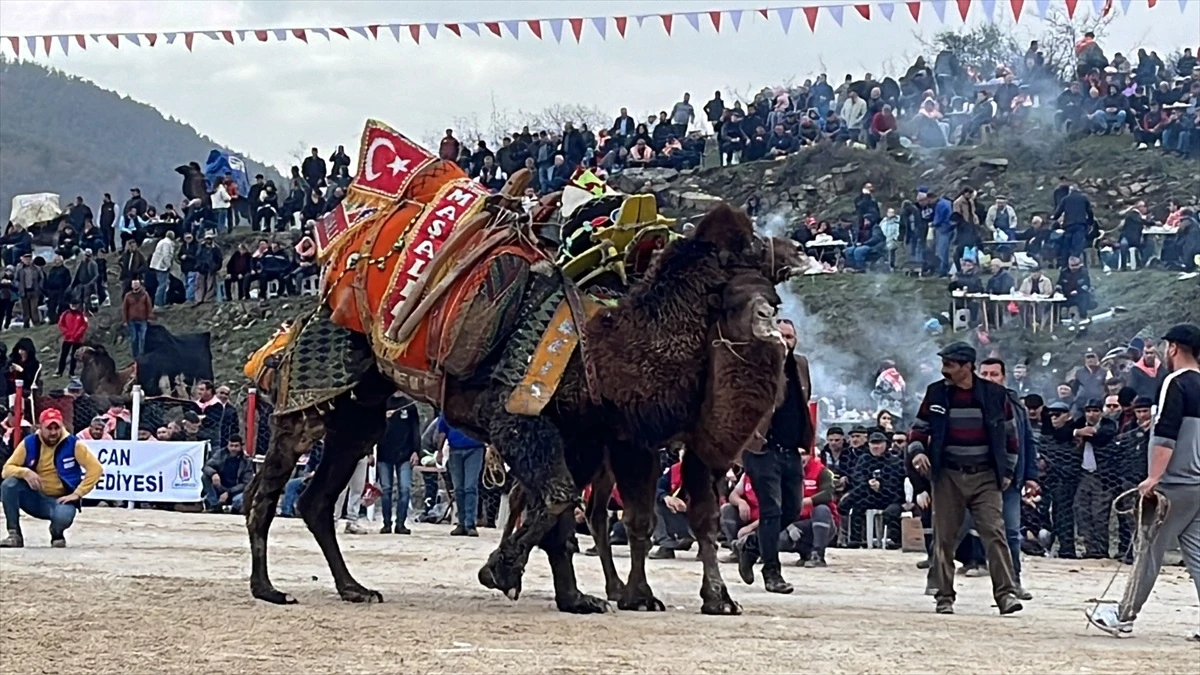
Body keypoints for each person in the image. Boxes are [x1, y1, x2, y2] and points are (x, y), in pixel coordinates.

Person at [1087, 323, 1200, 641]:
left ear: (1174, 348)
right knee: (1197, 553)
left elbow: (1166, 434)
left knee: (1147, 550)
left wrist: (1153, 477)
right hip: (1198, 484)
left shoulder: (1174, 383)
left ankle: (1123, 616)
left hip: (1174, 483)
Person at [908, 341, 1023, 615]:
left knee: (995, 534)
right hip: (947, 475)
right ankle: (944, 596)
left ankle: (1006, 594)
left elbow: (1011, 437)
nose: (944, 370)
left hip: (985, 475)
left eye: (950, 365)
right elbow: (918, 429)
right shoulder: (936, 393)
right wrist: (916, 453)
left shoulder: (995, 395)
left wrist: (1008, 471)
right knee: (944, 537)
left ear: (967, 367)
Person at [736, 319, 812, 594]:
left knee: (792, 509)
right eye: (781, 336)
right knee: (771, 510)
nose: (786, 341)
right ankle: (772, 572)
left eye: (790, 336)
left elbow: (804, 400)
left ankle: (753, 546)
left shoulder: (801, 365)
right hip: (762, 449)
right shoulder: (756, 365)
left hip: (791, 450)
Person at [978, 358, 1039, 600]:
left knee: (1011, 532)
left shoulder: (1015, 404)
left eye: (994, 374)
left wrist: (1031, 476)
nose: (989, 378)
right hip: (974, 478)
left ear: (1003, 377)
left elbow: (1027, 441)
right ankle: (943, 581)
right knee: (961, 530)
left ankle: (1012, 582)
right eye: (984, 374)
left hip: (1010, 479)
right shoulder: (968, 403)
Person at [0, 409, 103, 548]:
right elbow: (6, 469)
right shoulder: (29, 443)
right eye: (49, 428)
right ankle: (14, 534)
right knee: (9, 485)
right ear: (39, 427)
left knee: (63, 517)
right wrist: (25, 472)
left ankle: (57, 533)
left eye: (57, 427)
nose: (53, 432)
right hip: (34, 498)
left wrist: (78, 493)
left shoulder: (74, 444)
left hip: (61, 500)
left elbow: (96, 469)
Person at [839, 432, 904, 548]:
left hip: (890, 497)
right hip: (870, 495)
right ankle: (855, 540)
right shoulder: (864, 459)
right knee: (858, 506)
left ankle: (893, 540)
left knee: (890, 510)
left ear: (885, 445)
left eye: (879, 443)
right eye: (873, 443)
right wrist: (868, 482)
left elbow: (897, 484)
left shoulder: (895, 461)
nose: (876, 446)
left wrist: (881, 485)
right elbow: (856, 476)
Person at [435, 414, 484, 536]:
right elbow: (442, 430)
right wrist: (439, 451)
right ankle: (461, 523)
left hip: (475, 448)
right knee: (458, 489)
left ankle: (470, 523)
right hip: (455, 449)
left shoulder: (474, 408)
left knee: (470, 487)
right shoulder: (448, 410)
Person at [377, 394, 419, 535]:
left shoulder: (409, 405)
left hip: (405, 454)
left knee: (405, 489)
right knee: (386, 490)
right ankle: (386, 524)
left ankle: (400, 523)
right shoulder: (382, 403)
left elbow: (415, 429)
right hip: (384, 453)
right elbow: (373, 427)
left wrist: (416, 451)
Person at [201, 436, 252, 514]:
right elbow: (206, 467)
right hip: (220, 487)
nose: (233, 448)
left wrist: (229, 492)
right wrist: (213, 474)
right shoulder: (220, 455)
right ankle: (214, 505)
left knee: (240, 500)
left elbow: (246, 483)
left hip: (236, 491)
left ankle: (232, 508)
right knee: (205, 477)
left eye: (236, 446)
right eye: (231, 446)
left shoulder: (246, 461)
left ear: (241, 446)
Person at [121, 278, 153, 359]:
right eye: (134, 284)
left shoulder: (145, 295)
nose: (135, 286)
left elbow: (149, 306)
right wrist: (125, 320)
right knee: (134, 338)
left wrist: (149, 317)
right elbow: (125, 308)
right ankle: (134, 355)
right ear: (131, 286)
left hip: (143, 319)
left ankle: (141, 354)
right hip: (132, 320)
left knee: (142, 338)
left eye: (136, 284)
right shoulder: (128, 296)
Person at [55, 300, 88, 378]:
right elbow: (61, 324)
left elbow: (84, 325)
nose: (74, 306)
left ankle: (72, 373)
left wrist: (78, 334)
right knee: (64, 355)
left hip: (77, 339)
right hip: (67, 338)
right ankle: (60, 371)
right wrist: (67, 333)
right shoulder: (65, 314)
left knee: (74, 356)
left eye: (75, 305)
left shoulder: (81, 315)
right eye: (72, 304)